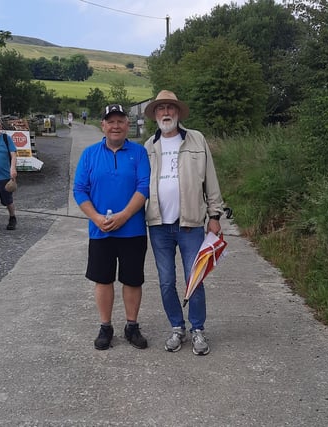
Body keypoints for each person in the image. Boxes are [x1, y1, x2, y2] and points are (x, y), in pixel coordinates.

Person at [143, 90, 225, 356]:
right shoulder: (148, 146)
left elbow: (210, 180)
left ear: (178, 113)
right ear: (155, 114)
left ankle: (197, 329)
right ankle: (177, 327)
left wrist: (214, 215)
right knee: (166, 281)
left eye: (170, 108)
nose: (166, 113)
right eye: (161, 109)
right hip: (158, 226)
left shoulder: (196, 139)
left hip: (190, 224)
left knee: (195, 278)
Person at [73, 104, 151, 351]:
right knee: (103, 279)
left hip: (133, 229)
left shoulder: (138, 153)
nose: (115, 126)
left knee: (132, 280)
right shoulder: (89, 154)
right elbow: (79, 190)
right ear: (103, 126)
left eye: (120, 121)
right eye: (110, 121)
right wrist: (96, 217)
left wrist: (125, 215)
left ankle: (132, 326)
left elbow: (144, 186)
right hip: (100, 230)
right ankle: (105, 327)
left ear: (127, 125)